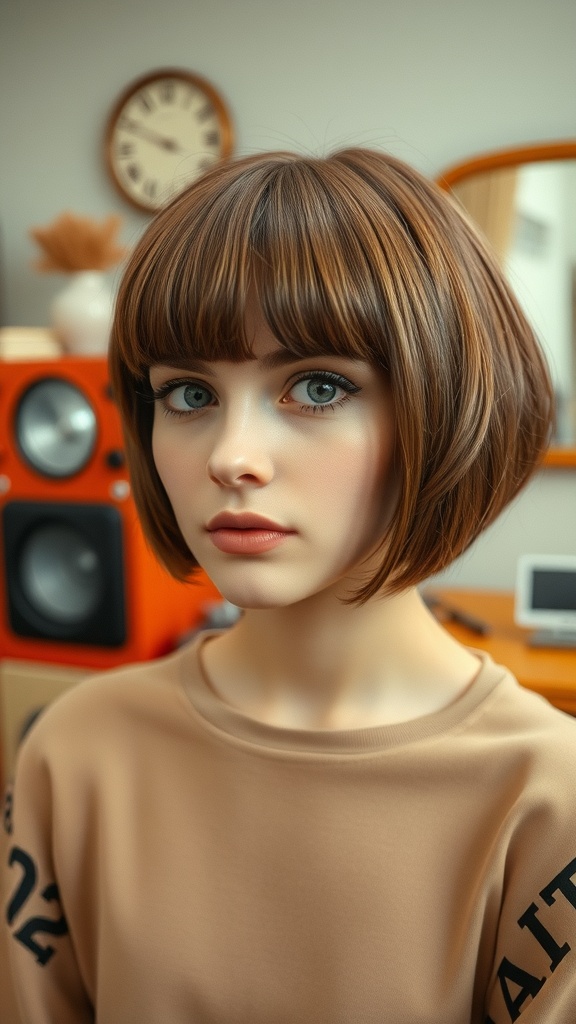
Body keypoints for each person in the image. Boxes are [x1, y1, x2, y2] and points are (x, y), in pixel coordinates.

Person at [4, 147, 576, 1024]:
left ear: (446, 400)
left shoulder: (548, 799)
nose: (232, 457)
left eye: (317, 386)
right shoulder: (73, 753)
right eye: (188, 394)